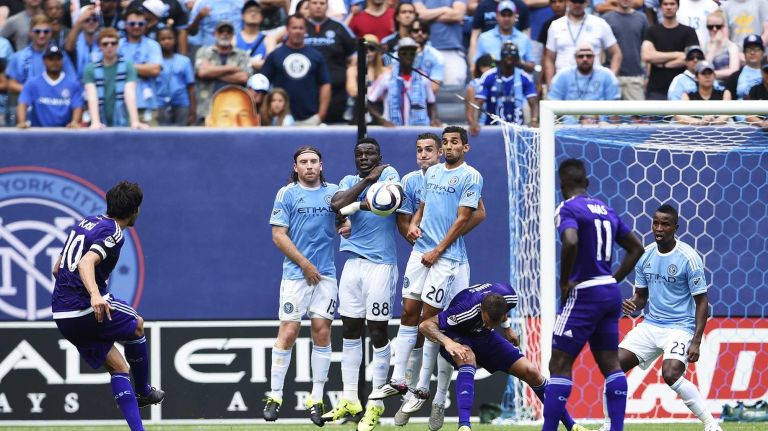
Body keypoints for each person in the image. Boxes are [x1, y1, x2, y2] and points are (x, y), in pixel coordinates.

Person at [371, 126, 484, 420]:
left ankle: (430, 392)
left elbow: (469, 216)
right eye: (444, 143)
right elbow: (421, 207)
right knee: (409, 311)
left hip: (448, 260)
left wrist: (442, 246)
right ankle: (400, 380)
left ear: (465, 147)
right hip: (421, 254)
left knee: (436, 323)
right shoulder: (429, 175)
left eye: (453, 143)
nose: (448, 147)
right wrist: (414, 225)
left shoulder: (471, 176)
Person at [597, 205, 722, 431]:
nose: (658, 228)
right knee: (612, 367)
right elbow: (641, 297)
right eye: (655, 223)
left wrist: (696, 340)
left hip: (680, 328)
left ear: (675, 227)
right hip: (651, 325)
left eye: (665, 224)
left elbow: (702, 301)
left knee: (671, 373)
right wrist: (632, 304)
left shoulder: (689, 258)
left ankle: (711, 424)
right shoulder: (645, 256)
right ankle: (608, 426)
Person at [51, 181, 164, 431]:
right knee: (136, 325)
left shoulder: (86, 222)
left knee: (119, 367)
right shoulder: (114, 231)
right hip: (84, 307)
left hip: (61, 314)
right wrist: (94, 295)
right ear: (135, 210)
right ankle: (144, 391)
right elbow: (86, 263)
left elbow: (57, 268)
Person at [542, 159, 644, 431]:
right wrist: (613, 279)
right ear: (586, 183)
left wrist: (566, 281)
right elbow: (637, 247)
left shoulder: (567, 208)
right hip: (609, 292)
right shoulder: (607, 210)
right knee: (611, 364)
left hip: (584, 292)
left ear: (562, 185)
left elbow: (571, 240)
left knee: (560, 363)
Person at [419, 282, 589, 431]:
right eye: (487, 320)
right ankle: (464, 426)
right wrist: (448, 342)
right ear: (481, 310)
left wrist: (506, 328)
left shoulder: (509, 296)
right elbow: (426, 325)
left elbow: (497, 315)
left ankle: (572, 426)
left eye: (494, 323)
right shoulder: (465, 310)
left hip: (484, 336)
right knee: (467, 357)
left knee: (531, 372)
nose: (490, 325)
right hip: (459, 336)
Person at [322, 138, 401, 431]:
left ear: (379, 155)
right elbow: (336, 204)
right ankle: (350, 398)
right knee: (350, 330)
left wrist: (354, 206)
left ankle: (376, 405)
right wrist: (366, 184)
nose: (365, 157)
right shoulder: (348, 179)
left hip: (380, 264)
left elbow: (386, 202)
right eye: (360, 154)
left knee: (377, 331)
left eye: (370, 153)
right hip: (352, 264)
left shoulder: (391, 175)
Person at [263, 146, 342, 426]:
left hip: (326, 275)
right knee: (289, 331)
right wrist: (305, 264)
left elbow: (344, 224)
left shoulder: (334, 192)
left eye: (313, 161)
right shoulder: (287, 193)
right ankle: (275, 396)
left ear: (321, 165)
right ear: (295, 167)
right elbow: (278, 236)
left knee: (322, 331)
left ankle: (316, 398)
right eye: (303, 162)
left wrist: (345, 227)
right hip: (297, 276)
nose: (309, 166)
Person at [261, 14, 331, 126]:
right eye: (294, 28)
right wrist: (266, 113)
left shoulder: (316, 56)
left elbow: (325, 84)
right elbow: (262, 83)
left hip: (310, 119)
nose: (297, 31)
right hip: (280, 119)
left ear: (305, 30)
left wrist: (321, 115)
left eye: (301, 28)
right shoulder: (275, 55)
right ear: (287, 29)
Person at [543, 0, 621, 87]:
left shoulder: (599, 24)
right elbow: (549, 59)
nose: (577, 4)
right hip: (564, 84)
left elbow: (616, 53)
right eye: (574, 1)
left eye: (581, 1)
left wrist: (611, 79)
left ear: (587, 2)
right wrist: (550, 84)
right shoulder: (556, 25)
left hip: (594, 84)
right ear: (567, 2)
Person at [304, 0, 356, 124]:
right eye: (314, 3)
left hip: (336, 92)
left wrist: (351, 76)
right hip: (306, 92)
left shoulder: (339, 27)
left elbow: (354, 56)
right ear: (308, 5)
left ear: (327, 6)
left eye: (322, 3)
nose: (318, 6)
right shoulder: (300, 27)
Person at [367, 37, 438, 127]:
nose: (408, 56)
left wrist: (434, 119)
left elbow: (431, 102)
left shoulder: (423, 78)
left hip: (419, 131)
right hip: (393, 131)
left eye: (412, 53)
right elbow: (369, 102)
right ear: (398, 54)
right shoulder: (386, 77)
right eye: (404, 53)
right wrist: (382, 120)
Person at [84, 28, 147, 129]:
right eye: (105, 44)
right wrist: (95, 122)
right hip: (100, 122)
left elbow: (130, 93)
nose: (109, 46)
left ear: (118, 45)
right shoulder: (90, 69)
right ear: (100, 46)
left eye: (113, 43)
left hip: (123, 121)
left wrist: (134, 121)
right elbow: (92, 96)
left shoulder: (128, 66)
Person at [471, 42, 539, 132]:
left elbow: (533, 102)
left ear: (518, 57)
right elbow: (478, 102)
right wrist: (475, 122)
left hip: (517, 129)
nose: (509, 56)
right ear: (501, 55)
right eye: (506, 53)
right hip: (492, 129)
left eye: (513, 53)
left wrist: (534, 120)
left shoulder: (524, 77)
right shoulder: (489, 76)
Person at [547, 43, 620, 124]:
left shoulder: (607, 75)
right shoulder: (562, 76)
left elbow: (614, 109)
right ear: (575, 58)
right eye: (581, 56)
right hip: (569, 130)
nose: (585, 59)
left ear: (594, 57)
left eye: (588, 56)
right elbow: (552, 106)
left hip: (601, 129)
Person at [641, 0, 699, 100]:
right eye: (665, 4)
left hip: (684, 88)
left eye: (672, 4)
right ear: (661, 7)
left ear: (678, 6)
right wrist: (677, 54)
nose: (669, 7)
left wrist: (662, 63)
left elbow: (692, 58)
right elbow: (647, 56)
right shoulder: (652, 31)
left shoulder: (688, 32)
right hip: (656, 89)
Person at [194, 20, 250, 123]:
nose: (225, 34)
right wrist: (230, 68)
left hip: (233, 113)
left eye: (228, 31)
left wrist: (212, 71)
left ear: (233, 34)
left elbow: (243, 77)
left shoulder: (242, 54)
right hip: (208, 111)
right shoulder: (203, 52)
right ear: (215, 33)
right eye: (221, 31)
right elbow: (202, 73)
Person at [16, 44, 83, 128]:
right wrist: (22, 122)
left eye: (58, 59)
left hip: (64, 134)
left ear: (62, 61)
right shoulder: (33, 83)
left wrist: (74, 122)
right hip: (39, 133)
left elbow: (77, 106)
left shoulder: (73, 84)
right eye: (51, 59)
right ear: (44, 61)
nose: (55, 62)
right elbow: (23, 103)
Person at [119, 7, 163, 125]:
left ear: (145, 25)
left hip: (148, 103)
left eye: (140, 24)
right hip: (121, 104)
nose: (136, 26)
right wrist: (143, 67)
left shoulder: (153, 45)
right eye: (132, 23)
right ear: (126, 25)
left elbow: (155, 70)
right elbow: (111, 68)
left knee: (151, 142)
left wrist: (125, 66)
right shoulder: (116, 44)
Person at [413, 0, 468, 86]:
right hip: (424, 51)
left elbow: (457, 15)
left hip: (451, 51)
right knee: (422, 90)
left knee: (453, 90)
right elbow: (419, 15)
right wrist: (445, 9)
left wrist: (429, 15)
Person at [472, 1, 535, 74]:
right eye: (503, 15)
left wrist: (519, 63)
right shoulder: (484, 38)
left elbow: (532, 66)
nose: (506, 19)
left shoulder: (524, 38)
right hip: (491, 81)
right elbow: (476, 65)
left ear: (515, 16)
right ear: (497, 16)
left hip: (517, 81)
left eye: (509, 15)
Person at [603, 0, 648, 101]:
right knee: (609, 115)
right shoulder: (606, 19)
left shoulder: (642, 18)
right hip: (611, 77)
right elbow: (601, 49)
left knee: (639, 115)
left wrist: (646, 76)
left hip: (635, 78)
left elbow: (645, 48)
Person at [156, 27, 196, 126]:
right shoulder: (154, 62)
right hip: (160, 104)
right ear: (157, 42)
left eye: (170, 38)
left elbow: (191, 87)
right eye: (163, 39)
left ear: (175, 40)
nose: (166, 41)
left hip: (182, 103)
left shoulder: (184, 61)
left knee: (182, 136)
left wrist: (193, 110)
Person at [676, 61, 731, 125]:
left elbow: (726, 115)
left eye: (710, 73)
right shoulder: (687, 95)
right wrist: (700, 122)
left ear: (714, 76)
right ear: (696, 77)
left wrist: (714, 122)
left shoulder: (725, 93)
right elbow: (680, 116)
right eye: (703, 73)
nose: (707, 76)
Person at [64, 4, 101, 80]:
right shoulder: (75, 40)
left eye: (95, 19)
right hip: (79, 86)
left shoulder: (102, 39)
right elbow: (68, 47)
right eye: (87, 20)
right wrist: (80, 20)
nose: (91, 22)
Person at [410, 19, 446, 94]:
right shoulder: (398, 53)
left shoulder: (436, 56)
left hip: (425, 100)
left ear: (428, 34)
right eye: (416, 31)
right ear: (410, 33)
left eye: (424, 30)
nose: (420, 33)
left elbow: (434, 87)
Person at [235, 0, 272, 73]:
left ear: (262, 17)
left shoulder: (269, 39)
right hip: (238, 82)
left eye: (257, 11)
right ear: (242, 16)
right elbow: (229, 64)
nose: (253, 14)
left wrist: (242, 63)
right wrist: (256, 63)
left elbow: (269, 65)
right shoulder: (234, 39)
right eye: (249, 11)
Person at [703, 10, 740, 82]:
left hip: (727, 84)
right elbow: (704, 67)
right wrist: (715, 45)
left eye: (718, 26)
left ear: (723, 27)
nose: (714, 29)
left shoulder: (731, 46)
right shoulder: (703, 46)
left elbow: (734, 70)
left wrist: (710, 74)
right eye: (710, 27)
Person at [464, 54, 495, 129]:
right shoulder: (473, 86)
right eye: (492, 66)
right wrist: (474, 125)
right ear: (482, 68)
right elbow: (469, 114)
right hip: (482, 128)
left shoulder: (498, 83)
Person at [745, 58, 768, 128]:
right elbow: (749, 115)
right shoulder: (754, 89)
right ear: (761, 71)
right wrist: (763, 123)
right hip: (759, 130)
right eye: (766, 71)